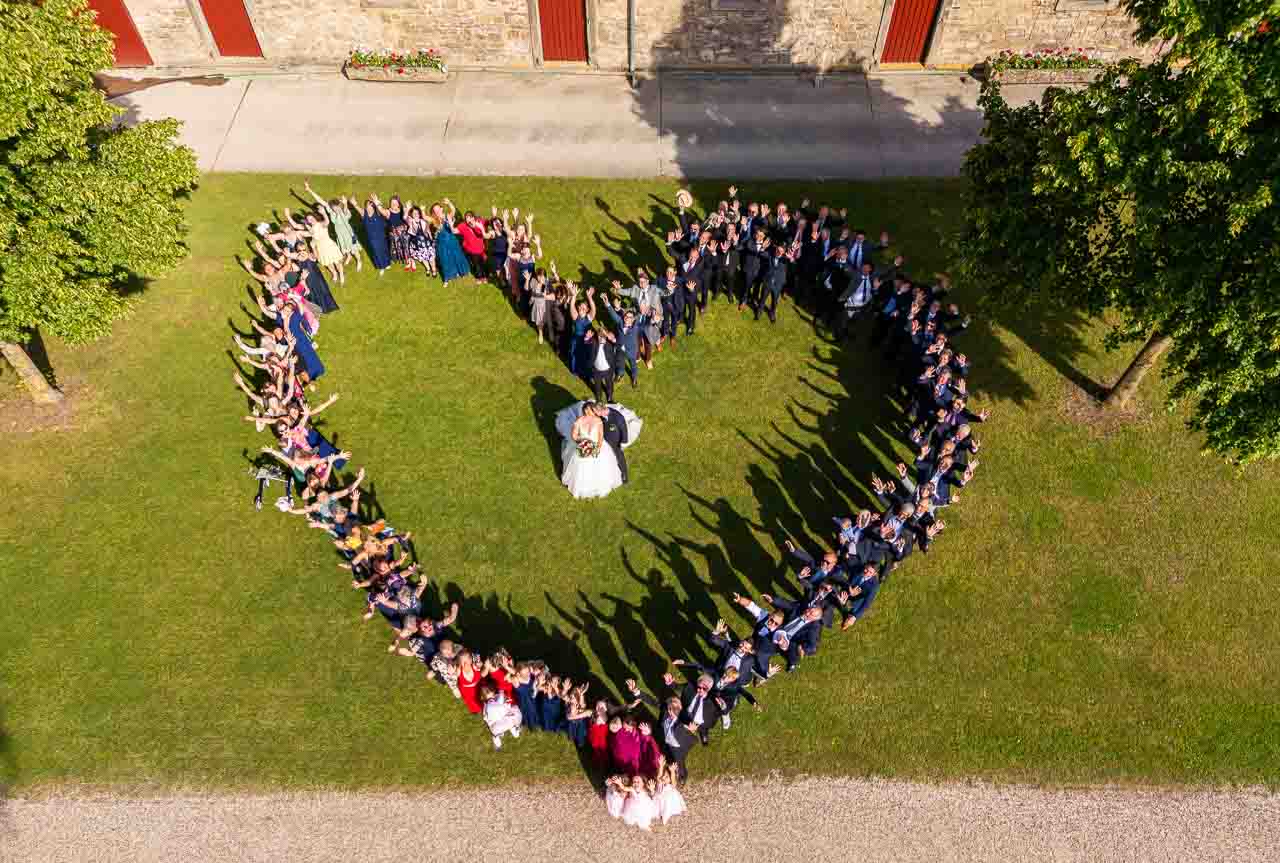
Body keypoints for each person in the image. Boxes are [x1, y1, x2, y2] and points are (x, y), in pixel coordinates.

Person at [559, 401, 623, 499]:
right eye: (587, 410)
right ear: (584, 410)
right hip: (582, 446)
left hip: (597, 446)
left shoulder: (598, 421)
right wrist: (581, 443)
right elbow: (574, 435)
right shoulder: (579, 420)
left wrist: (598, 447)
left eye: (591, 410)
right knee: (581, 468)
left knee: (600, 467)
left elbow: (600, 436)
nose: (589, 412)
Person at [430, 199, 470, 285]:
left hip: (451, 240)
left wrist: (449, 203)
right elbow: (426, 218)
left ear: (441, 209)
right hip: (442, 244)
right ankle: (447, 278)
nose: (437, 211)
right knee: (445, 259)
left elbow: (453, 211)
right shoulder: (434, 220)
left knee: (456, 256)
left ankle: (459, 272)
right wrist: (422, 211)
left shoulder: (447, 216)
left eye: (438, 209)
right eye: (435, 210)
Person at [480, 682, 523, 749]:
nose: (494, 693)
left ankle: (498, 745)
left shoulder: (485, 705)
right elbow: (501, 706)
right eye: (492, 692)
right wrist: (502, 693)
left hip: (496, 727)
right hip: (504, 721)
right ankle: (516, 734)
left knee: (495, 735)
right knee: (511, 722)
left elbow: (485, 717)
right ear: (491, 693)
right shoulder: (494, 702)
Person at [361, 195, 392, 275]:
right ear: (365, 207)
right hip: (373, 239)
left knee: (384, 249)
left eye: (371, 206)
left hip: (382, 236)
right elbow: (357, 208)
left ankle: (387, 263)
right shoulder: (364, 214)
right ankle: (381, 267)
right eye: (368, 206)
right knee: (377, 252)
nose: (369, 208)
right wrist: (354, 204)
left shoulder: (377, 212)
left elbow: (381, 209)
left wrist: (376, 201)